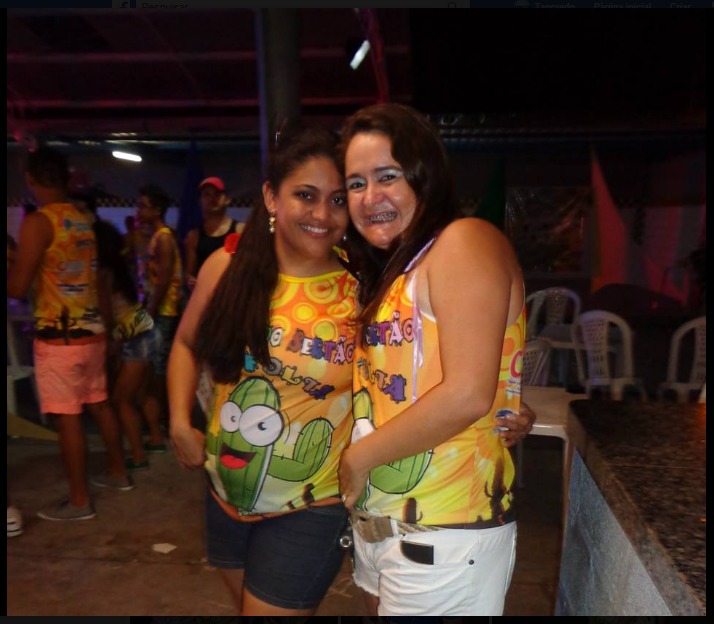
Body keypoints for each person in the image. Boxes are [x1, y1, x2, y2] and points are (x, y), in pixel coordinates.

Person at [337, 103, 528, 616]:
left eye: (388, 176)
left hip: (446, 529)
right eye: (355, 184)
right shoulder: (399, 269)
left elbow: (466, 394)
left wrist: (357, 458)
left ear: (425, 174)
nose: (370, 197)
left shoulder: (464, 240)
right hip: (388, 526)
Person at [167, 124, 356, 616]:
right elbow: (185, 344)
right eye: (305, 195)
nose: (322, 214)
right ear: (272, 197)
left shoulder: (362, 287)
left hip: (312, 504)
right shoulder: (225, 269)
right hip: (224, 490)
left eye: (337, 200)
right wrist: (178, 421)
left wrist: (501, 406)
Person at [7, 146, 133, 522]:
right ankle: (118, 472)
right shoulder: (81, 219)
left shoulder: (38, 222)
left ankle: (79, 501)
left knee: (67, 418)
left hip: (59, 337)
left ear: (31, 179)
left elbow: (17, 287)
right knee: (99, 404)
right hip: (91, 331)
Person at [72, 190, 161, 471]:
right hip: (147, 330)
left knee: (121, 400)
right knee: (142, 393)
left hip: (135, 337)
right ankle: (155, 438)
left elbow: (108, 315)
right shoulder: (119, 266)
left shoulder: (102, 272)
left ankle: (138, 456)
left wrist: (109, 342)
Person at [136, 183, 185, 453]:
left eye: (143, 206)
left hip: (164, 311)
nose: (138, 210)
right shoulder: (157, 236)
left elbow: (164, 279)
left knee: (158, 369)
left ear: (156, 210)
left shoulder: (164, 237)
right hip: (160, 309)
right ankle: (160, 421)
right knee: (156, 367)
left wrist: (151, 311)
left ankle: (163, 422)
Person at [183, 176, 244, 293]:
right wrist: (190, 281)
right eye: (206, 194)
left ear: (227, 199)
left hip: (232, 295)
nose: (212, 198)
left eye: (217, 194)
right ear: (200, 201)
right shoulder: (193, 236)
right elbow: (189, 273)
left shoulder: (240, 230)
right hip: (205, 296)